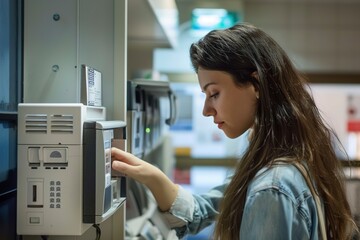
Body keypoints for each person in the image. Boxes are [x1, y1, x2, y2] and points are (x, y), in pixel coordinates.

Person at [112, 23, 358, 239]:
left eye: (214, 94)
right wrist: (153, 177)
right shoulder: (285, 155)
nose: (207, 110)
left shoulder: (271, 187)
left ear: (256, 84)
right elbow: (202, 212)